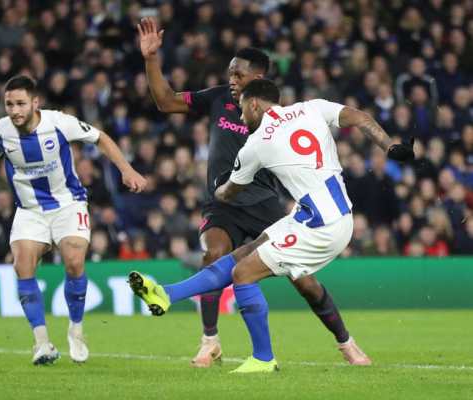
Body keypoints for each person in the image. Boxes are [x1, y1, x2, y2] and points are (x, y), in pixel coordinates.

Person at [129, 79, 415, 373]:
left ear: (254, 104)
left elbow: (229, 193)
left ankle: (263, 359)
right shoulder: (311, 108)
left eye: (242, 109)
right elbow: (361, 118)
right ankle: (166, 294)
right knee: (243, 255)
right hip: (325, 214)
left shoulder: (258, 142)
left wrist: (218, 187)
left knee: (243, 274)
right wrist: (389, 145)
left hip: (321, 226)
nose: (240, 117)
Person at [137, 18, 360, 367]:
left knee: (303, 280)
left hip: (262, 202)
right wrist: (151, 59)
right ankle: (210, 341)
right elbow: (165, 102)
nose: (231, 81)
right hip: (223, 203)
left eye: (238, 76)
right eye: (229, 74)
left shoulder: (277, 112)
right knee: (213, 255)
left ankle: (346, 342)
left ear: (257, 79)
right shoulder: (217, 99)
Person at [0, 75, 147, 365]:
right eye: (9, 104)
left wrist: (126, 170)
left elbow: (100, 137)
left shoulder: (59, 122)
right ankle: (42, 343)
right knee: (22, 264)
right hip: (30, 210)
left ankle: (76, 330)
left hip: (68, 203)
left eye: (21, 104)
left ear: (35, 103)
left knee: (75, 261)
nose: (14, 110)